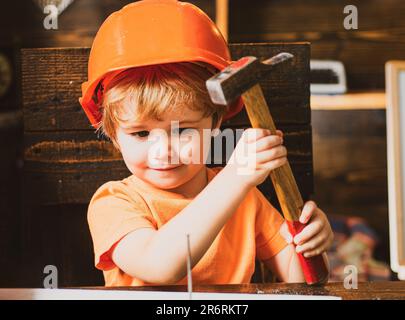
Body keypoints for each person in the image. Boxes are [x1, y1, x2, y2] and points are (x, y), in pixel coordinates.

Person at [79, 0, 333, 286]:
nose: (163, 151)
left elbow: (304, 282)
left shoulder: (245, 199)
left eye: (183, 130)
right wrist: (235, 177)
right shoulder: (114, 203)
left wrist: (311, 243)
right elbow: (160, 266)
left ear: (215, 124)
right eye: (141, 134)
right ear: (115, 136)